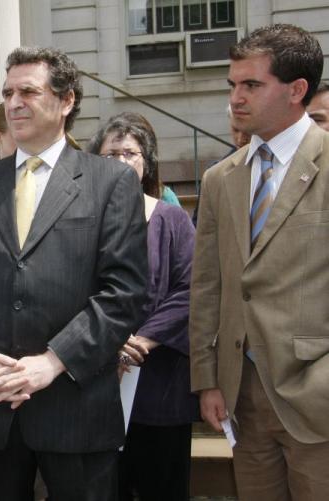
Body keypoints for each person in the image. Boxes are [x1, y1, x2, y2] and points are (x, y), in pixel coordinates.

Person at [0, 46, 148, 501]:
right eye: (8, 92)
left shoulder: (110, 182)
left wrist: (52, 362)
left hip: (77, 410)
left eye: (29, 91)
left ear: (67, 100)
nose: (14, 103)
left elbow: (125, 292)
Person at [190, 24, 329, 501]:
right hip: (241, 399)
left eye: (251, 84)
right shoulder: (220, 178)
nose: (236, 98)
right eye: (232, 85)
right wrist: (208, 380)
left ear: (297, 91)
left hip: (318, 399)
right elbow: (208, 286)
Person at [88, 112, 199, 501]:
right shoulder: (79, 222)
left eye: (129, 153)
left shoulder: (171, 220)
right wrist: (109, 341)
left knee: (161, 485)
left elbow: (190, 288)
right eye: (109, 154)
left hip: (159, 380)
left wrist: (142, 340)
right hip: (96, 378)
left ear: (146, 162)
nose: (119, 162)